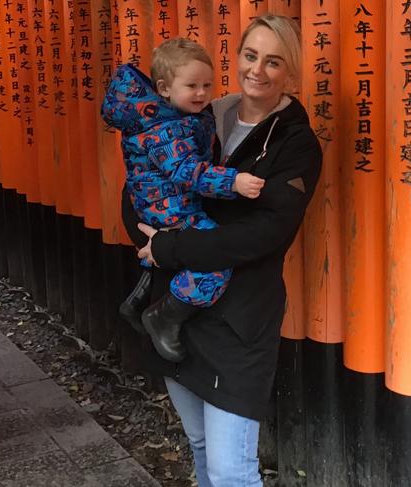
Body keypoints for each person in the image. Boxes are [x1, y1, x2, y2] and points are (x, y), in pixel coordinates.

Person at [132, 15, 322, 487]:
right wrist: (150, 240)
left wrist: (171, 245)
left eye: (273, 61)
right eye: (251, 55)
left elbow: (263, 235)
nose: (258, 70)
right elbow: (141, 186)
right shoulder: (202, 113)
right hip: (177, 312)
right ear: (236, 57)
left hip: (239, 320)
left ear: (290, 73)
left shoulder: (296, 145)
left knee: (231, 470)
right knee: (198, 447)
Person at [101, 38, 265, 362]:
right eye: (192, 86)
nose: (202, 93)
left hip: (165, 201)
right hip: (167, 206)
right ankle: (164, 317)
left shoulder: (176, 115)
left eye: (207, 84)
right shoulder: (165, 129)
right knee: (215, 258)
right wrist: (234, 181)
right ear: (163, 88)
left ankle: (140, 296)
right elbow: (187, 171)